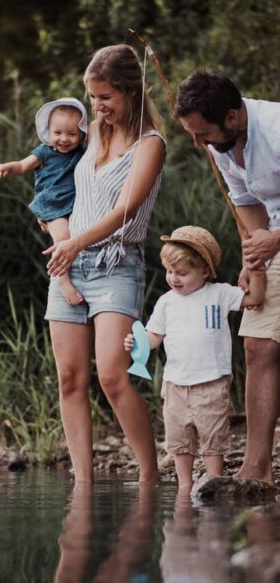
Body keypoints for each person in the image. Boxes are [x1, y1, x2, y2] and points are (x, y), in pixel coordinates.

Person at [42, 44, 166, 483]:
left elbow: (125, 211)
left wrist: (75, 243)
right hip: (69, 265)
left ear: (131, 90)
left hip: (117, 264)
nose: (97, 106)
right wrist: (52, 219)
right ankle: (83, 483)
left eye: (105, 96)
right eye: (93, 97)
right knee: (69, 378)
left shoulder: (151, 144)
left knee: (113, 376)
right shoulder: (91, 131)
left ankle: (150, 477)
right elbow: (51, 173)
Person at [174, 71, 280, 485]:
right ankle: (257, 469)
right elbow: (248, 203)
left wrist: (275, 239)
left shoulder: (275, 128)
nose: (198, 143)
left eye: (202, 134)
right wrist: (254, 259)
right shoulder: (222, 145)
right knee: (257, 344)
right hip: (273, 241)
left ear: (232, 117)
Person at [124, 226, 265, 489]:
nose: (174, 279)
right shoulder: (167, 302)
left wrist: (257, 271)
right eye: (169, 271)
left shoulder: (219, 293)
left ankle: (213, 482)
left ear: (205, 271)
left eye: (182, 273)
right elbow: (154, 336)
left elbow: (254, 297)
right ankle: (184, 487)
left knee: (213, 438)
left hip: (211, 382)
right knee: (179, 440)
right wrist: (138, 342)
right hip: (175, 384)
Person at [0, 97, 88, 305]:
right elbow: (22, 166)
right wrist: (7, 167)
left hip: (74, 204)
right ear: (48, 131)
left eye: (71, 134)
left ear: (81, 133)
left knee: (79, 235)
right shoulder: (44, 152)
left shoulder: (81, 153)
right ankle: (63, 280)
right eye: (57, 133)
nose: (64, 139)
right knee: (62, 238)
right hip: (52, 204)